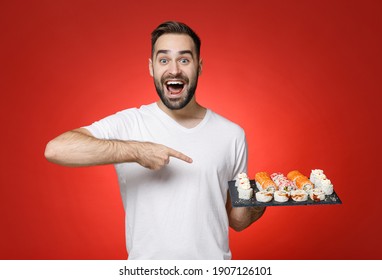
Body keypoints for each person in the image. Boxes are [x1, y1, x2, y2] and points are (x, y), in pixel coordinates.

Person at [45, 21, 266, 260]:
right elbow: (56, 149)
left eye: (184, 60)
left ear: (199, 67)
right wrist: (137, 150)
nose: (174, 70)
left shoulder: (231, 134)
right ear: (151, 68)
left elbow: (237, 221)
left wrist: (264, 198)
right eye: (164, 60)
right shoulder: (130, 124)